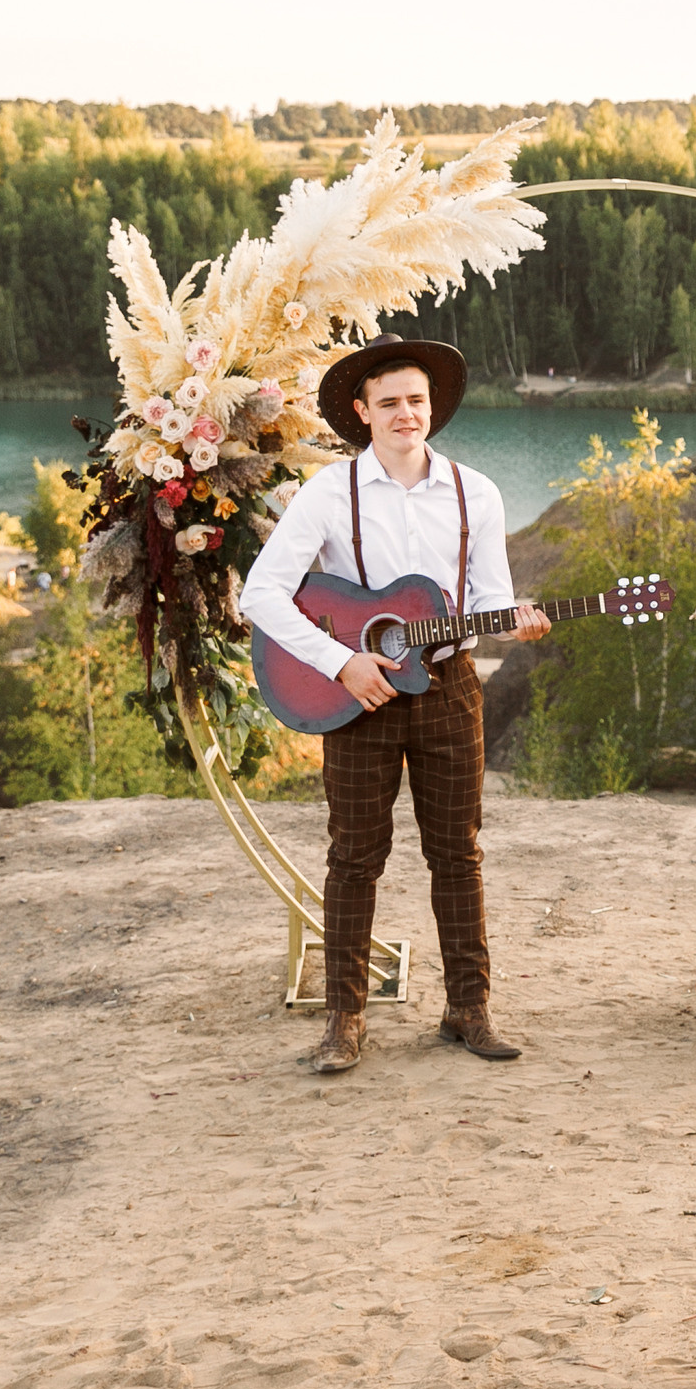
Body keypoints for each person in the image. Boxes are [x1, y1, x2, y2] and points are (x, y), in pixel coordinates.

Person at [237, 337, 550, 1074]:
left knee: (458, 854)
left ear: (431, 405)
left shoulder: (478, 493)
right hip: (358, 698)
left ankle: (467, 1007)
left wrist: (516, 617)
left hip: (447, 688)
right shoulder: (327, 494)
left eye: (416, 400)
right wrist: (341, 660)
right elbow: (261, 593)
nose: (406, 414)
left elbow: (488, 598)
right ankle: (345, 1019)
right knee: (354, 856)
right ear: (361, 412)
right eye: (389, 403)